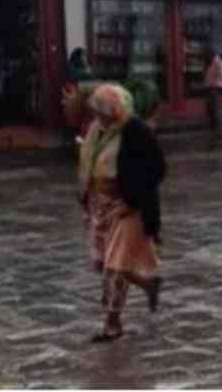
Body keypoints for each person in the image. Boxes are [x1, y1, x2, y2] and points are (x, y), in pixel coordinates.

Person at [78, 84, 165, 342]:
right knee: (105, 264)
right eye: (97, 112)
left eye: (103, 112)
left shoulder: (135, 130)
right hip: (100, 205)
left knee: (115, 267)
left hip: (127, 206)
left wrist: (135, 198)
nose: (99, 117)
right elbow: (88, 163)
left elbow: (157, 168)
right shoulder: (96, 131)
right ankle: (148, 284)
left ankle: (112, 324)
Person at [204, 50, 222, 134]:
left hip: (215, 88)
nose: (206, 57)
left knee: (216, 109)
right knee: (210, 108)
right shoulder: (211, 62)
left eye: (207, 55)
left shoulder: (219, 62)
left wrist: (215, 84)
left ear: (212, 54)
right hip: (209, 88)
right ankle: (213, 127)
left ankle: (218, 129)